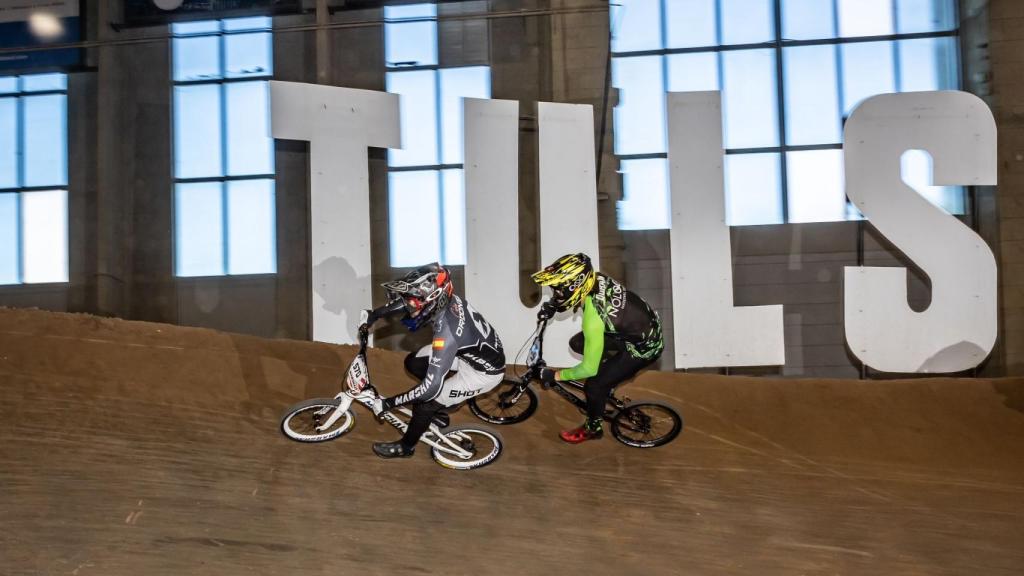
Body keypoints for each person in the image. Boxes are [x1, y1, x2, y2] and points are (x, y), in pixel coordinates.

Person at [360, 263, 506, 459]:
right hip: (467, 355)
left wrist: (388, 403)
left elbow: (429, 388)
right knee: (413, 362)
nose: (408, 305)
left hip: (481, 374)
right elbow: (409, 301)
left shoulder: (447, 335)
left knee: (425, 403)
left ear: (432, 299)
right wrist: (375, 315)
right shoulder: (447, 300)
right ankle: (440, 411)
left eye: (413, 301)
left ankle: (406, 447)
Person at [532, 253, 664, 443]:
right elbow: (571, 297)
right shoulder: (596, 278)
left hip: (642, 349)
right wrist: (554, 305)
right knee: (577, 344)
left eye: (559, 290)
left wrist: (555, 376)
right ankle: (608, 380)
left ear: (575, 286)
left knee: (593, 386)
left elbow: (588, 369)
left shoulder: (593, 320)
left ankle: (593, 429)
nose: (556, 294)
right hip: (638, 329)